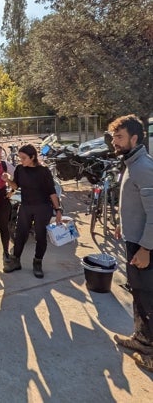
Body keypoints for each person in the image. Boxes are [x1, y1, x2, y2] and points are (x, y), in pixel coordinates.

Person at [107, 115, 153, 373]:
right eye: (114, 136)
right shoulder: (132, 163)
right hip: (134, 239)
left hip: (145, 246)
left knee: (148, 297)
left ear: (134, 138)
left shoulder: (143, 167)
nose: (115, 141)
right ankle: (142, 339)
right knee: (139, 293)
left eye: (120, 136)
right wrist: (122, 226)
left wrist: (146, 248)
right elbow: (136, 205)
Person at [2, 144, 63, 277]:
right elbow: (16, 185)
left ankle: (37, 262)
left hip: (43, 207)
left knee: (40, 236)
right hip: (26, 206)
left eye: (23, 158)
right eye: (19, 158)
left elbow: (52, 192)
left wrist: (58, 210)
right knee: (20, 234)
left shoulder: (43, 171)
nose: (20, 160)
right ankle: (16, 260)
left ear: (32, 157)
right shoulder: (20, 169)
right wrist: (8, 180)